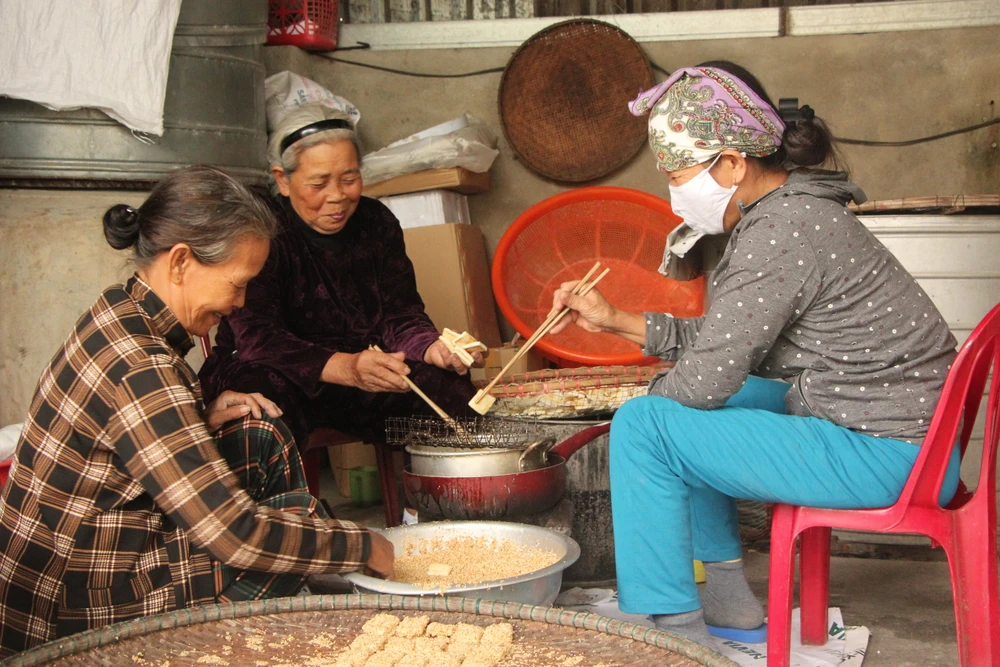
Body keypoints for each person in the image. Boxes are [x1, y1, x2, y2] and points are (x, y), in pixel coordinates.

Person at [549, 62, 961, 644]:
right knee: (691, 404)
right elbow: (727, 345)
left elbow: (704, 381)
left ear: (734, 163)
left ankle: (676, 631)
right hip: (907, 437)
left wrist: (650, 415)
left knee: (646, 424)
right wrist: (616, 320)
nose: (674, 193)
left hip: (887, 453)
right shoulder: (795, 209)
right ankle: (726, 599)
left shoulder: (781, 231)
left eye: (679, 174)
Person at [0, 166, 393, 658]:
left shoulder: (121, 311)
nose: (241, 302)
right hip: (69, 607)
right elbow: (234, 534)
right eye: (238, 283)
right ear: (182, 262)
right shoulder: (140, 365)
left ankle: (294, 599)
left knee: (258, 435)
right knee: (286, 535)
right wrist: (362, 545)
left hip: (90, 555)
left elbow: (119, 445)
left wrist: (197, 418)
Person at [198, 104, 484, 451]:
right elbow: (257, 339)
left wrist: (432, 347)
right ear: (282, 180)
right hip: (277, 371)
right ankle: (277, 507)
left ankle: (437, 503)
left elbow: (400, 314)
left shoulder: (376, 223)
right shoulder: (261, 231)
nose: (338, 196)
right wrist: (345, 367)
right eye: (319, 183)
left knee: (447, 387)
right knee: (256, 405)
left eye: (349, 179)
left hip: (362, 372)